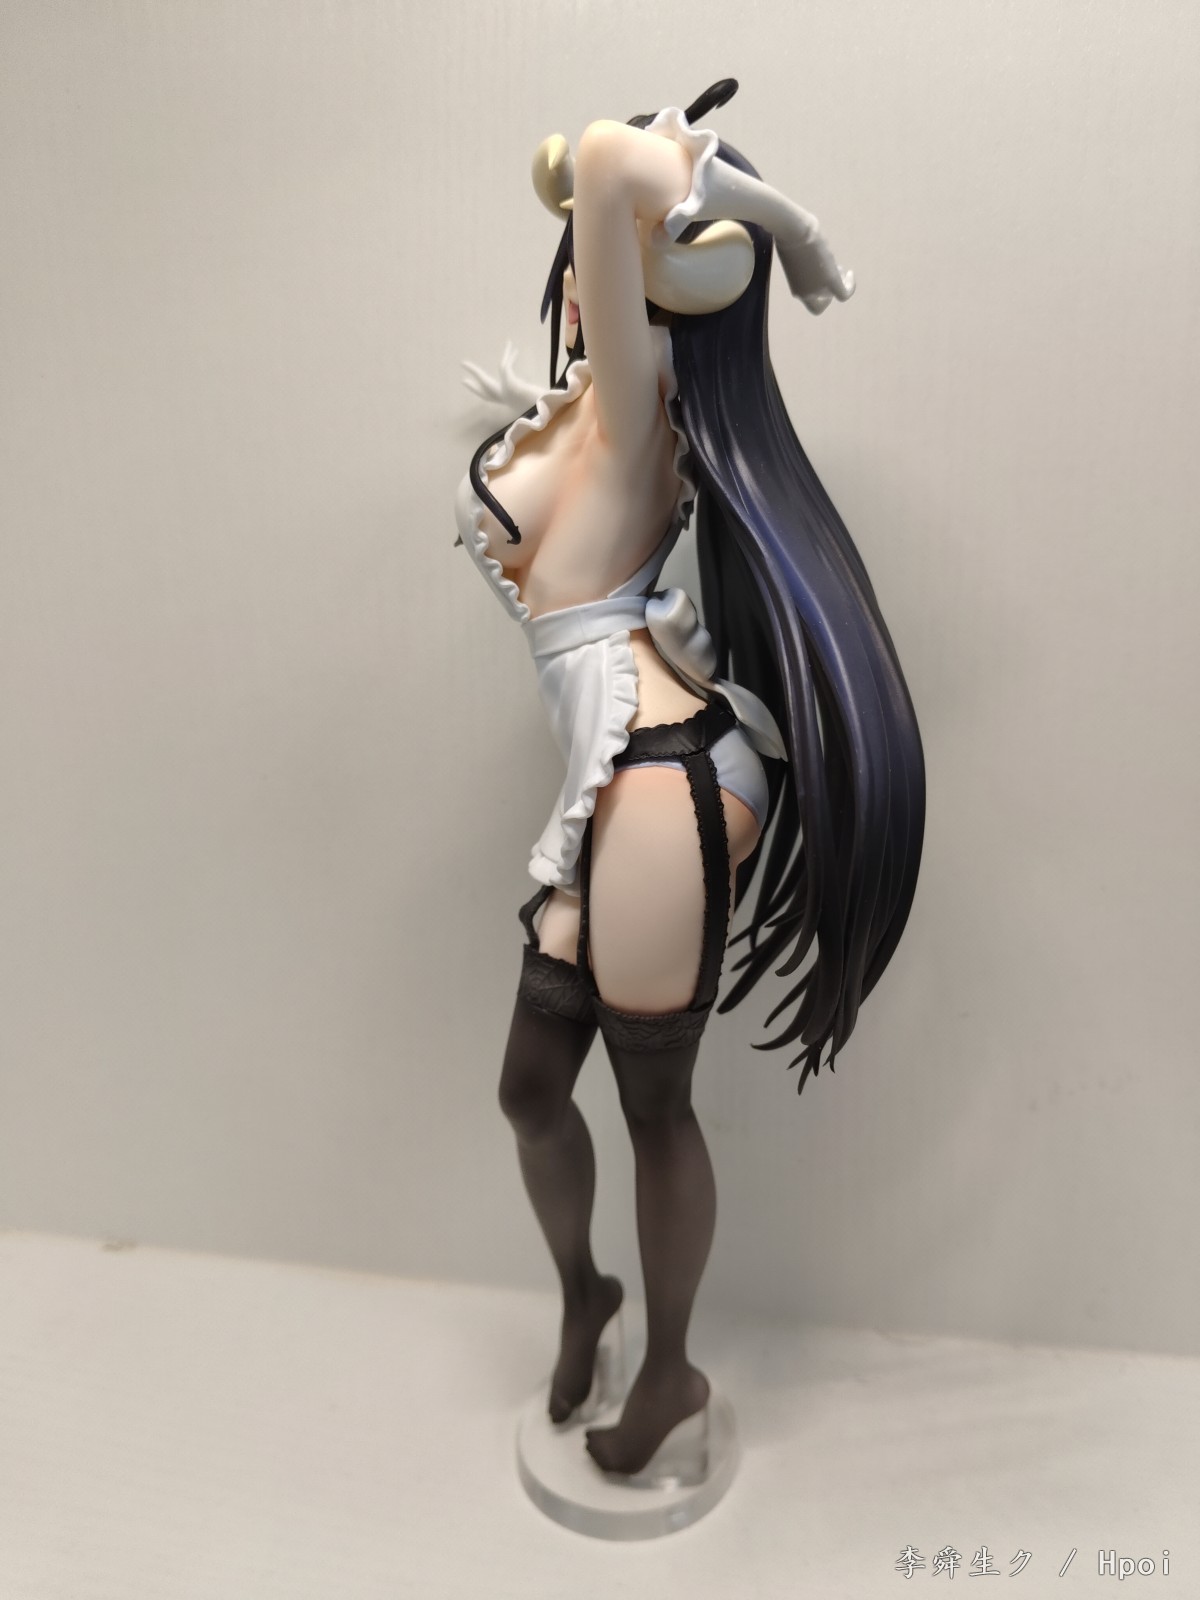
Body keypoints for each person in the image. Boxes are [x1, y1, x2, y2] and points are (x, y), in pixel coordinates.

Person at [455, 79, 925, 1477]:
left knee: (651, 1103)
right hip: (606, 785)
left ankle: (669, 1371)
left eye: (635, 244)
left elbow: (605, 158)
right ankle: (586, 1295)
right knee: (531, 1085)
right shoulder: (574, 413)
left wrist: (792, 232)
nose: (595, 266)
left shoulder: (638, 407)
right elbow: (598, 181)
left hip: (664, 781)